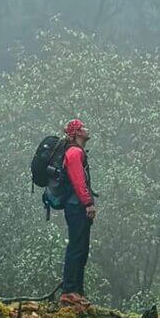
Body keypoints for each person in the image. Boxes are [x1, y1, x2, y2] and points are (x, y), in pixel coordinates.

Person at [59, 119, 96, 305]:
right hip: (76, 207)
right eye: (83, 127)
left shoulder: (78, 152)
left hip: (77, 205)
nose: (86, 129)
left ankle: (78, 291)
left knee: (82, 247)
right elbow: (78, 181)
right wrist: (88, 203)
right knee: (76, 246)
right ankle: (69, 290)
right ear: (77, 133)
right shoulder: (74, 153)